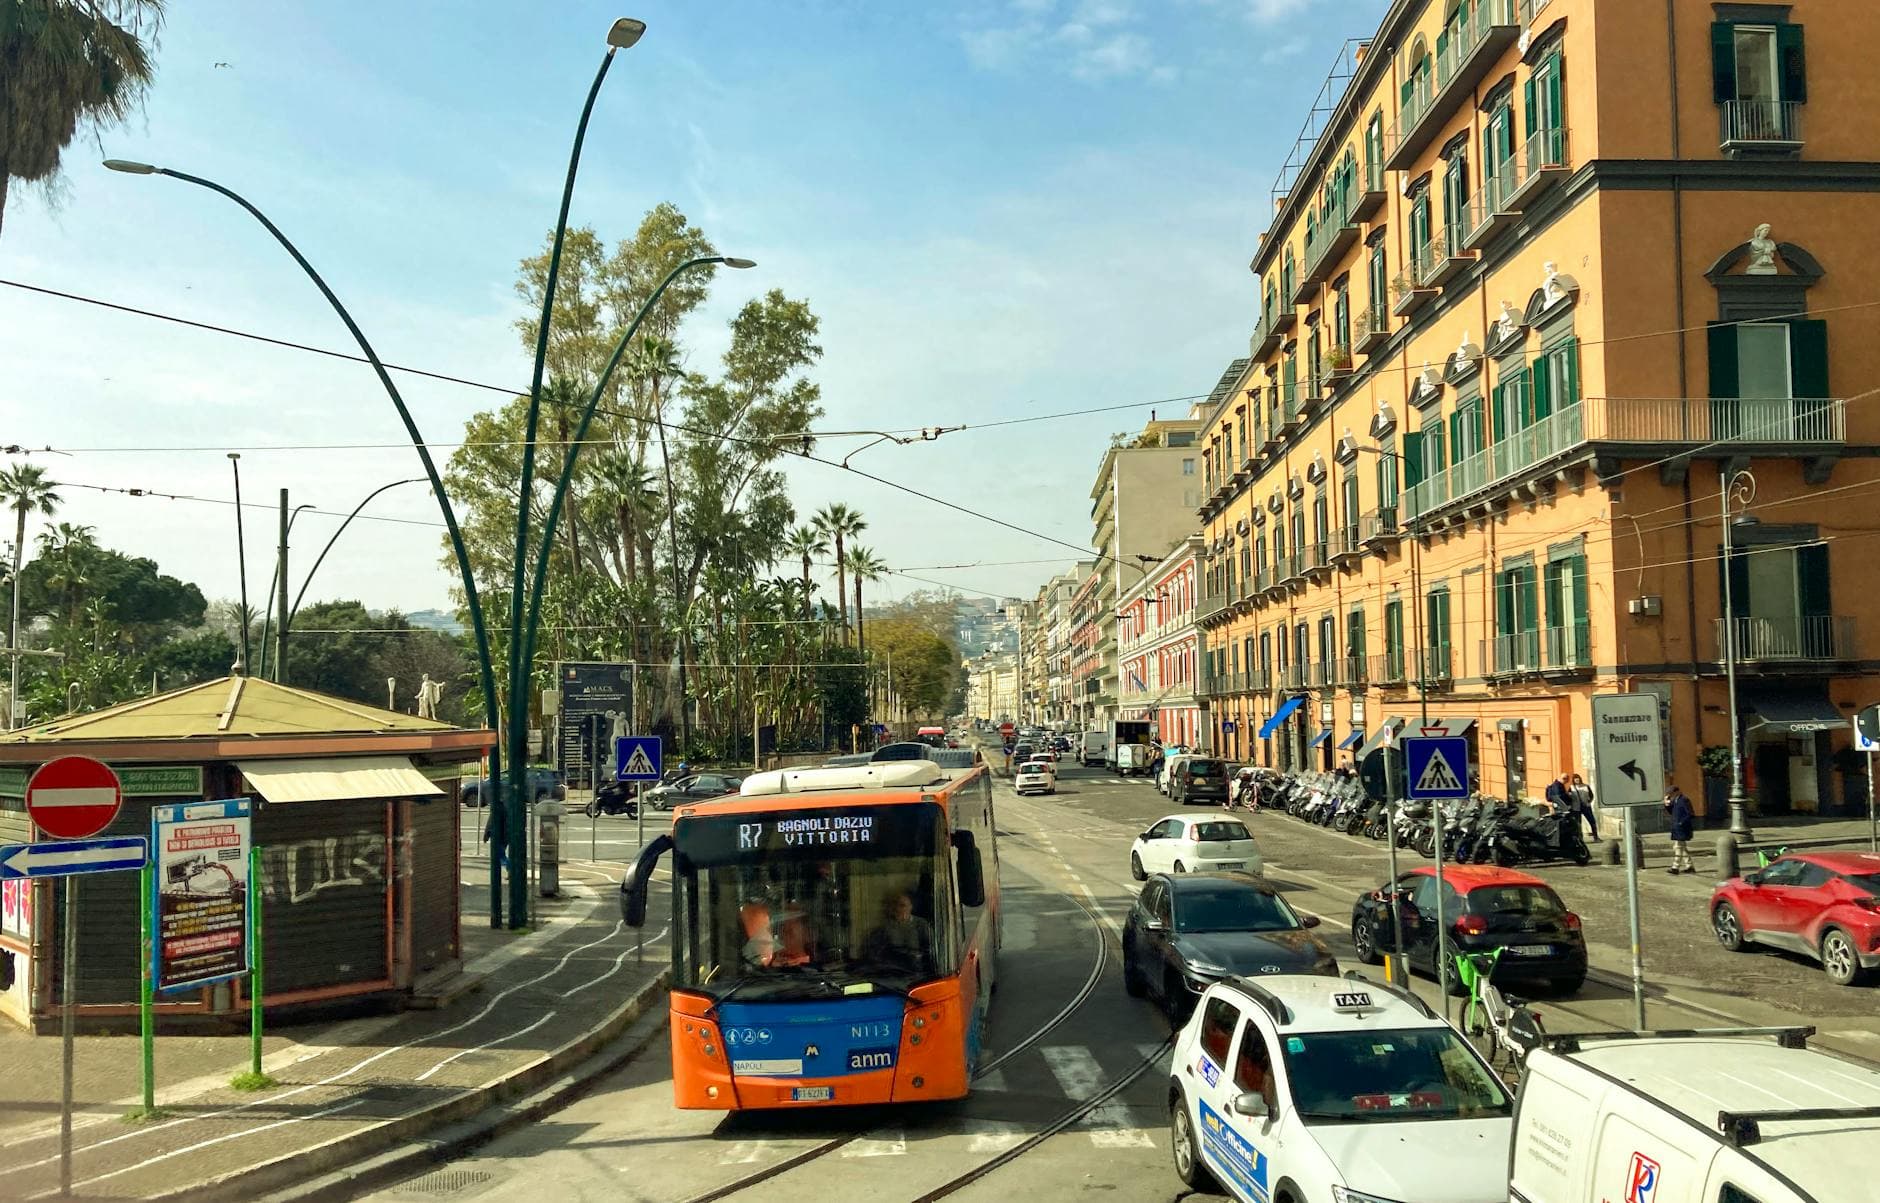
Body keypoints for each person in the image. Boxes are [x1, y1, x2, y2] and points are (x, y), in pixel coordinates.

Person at [861, 891, 935, 976]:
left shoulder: (922, 924)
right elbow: (876, 952)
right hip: (894, 971)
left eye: (902, 905)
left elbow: (931, 948)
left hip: (917, 972)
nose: (898, 909)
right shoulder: (886, 927)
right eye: (896, 906)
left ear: (910, 907)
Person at [1664, 782, 1695, 874]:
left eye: (1671, 793)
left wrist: (1681, 822)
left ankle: (1675, 867)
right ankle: (1689, 866)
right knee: (1682, 847)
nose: (1670, 795)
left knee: (1678, 847)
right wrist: (1667, 804)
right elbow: (1671, 812)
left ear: (1677, 792)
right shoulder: (1675, 800)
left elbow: (1690, 813)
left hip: (1682, 828)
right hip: (1677, 828)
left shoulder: (1684, 800)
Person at [1569, 773, 1599, 840]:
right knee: (1578, 823)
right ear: (1573, 780)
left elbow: (1591, 795)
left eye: (1578, 779)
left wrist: (1589, 801)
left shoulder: (1586, 786)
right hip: (1576, 808)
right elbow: (1569, 797)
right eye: (1576, 780)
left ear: (1580, 779)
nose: (1577, 781)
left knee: (1592, 821)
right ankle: (1580, 838)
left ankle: (1596, 837)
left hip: (1586, 806)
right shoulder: (1571, 787)